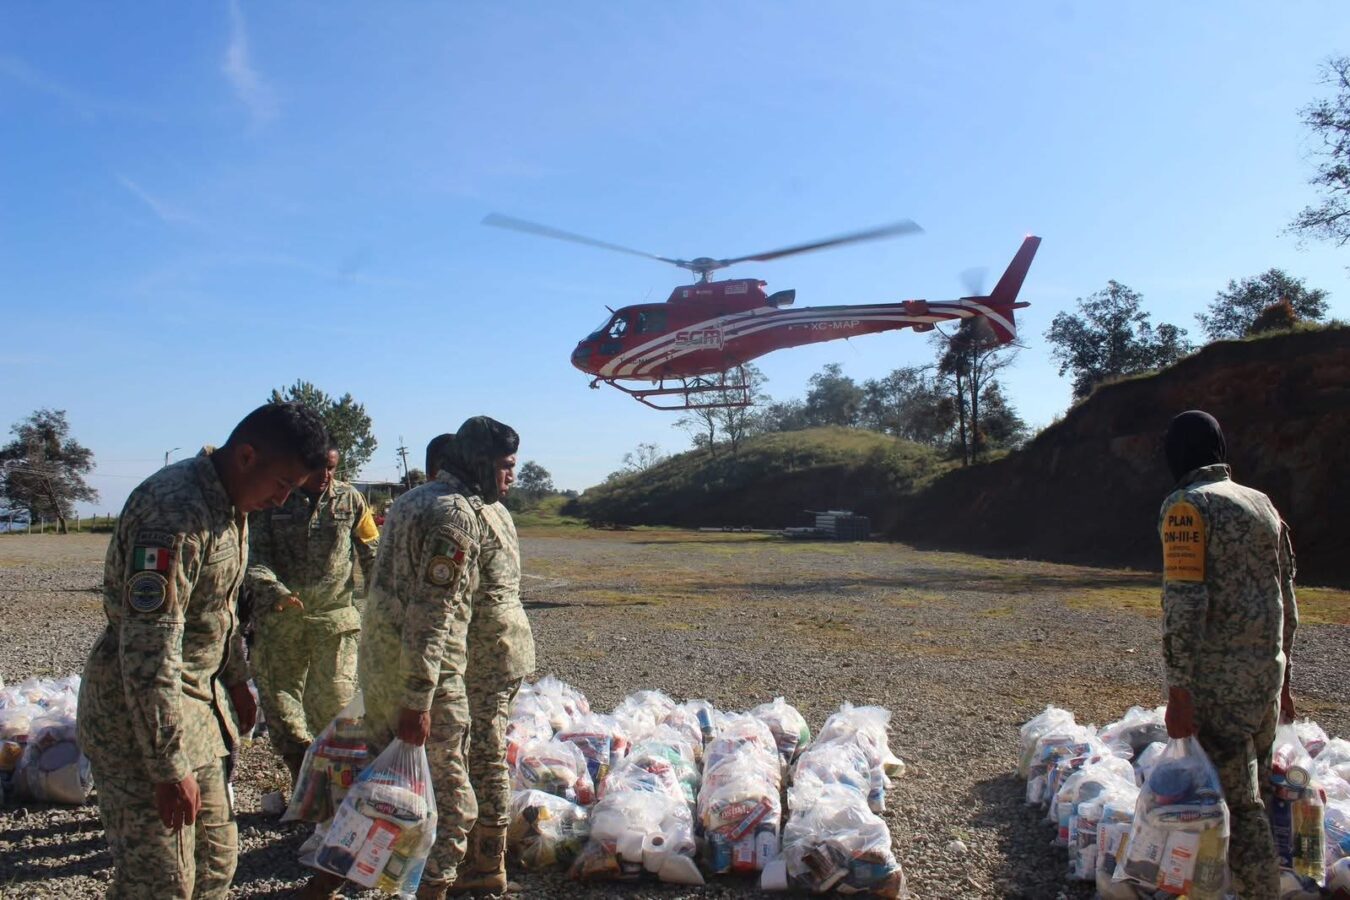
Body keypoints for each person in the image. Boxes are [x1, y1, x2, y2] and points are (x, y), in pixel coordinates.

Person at [78, 402, 329, 900]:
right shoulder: (174, 512)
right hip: (140, 723)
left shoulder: (233, 506)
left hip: (197, 709)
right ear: (247, 456)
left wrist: (235, 679)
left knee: (215, 864)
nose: (282, 500)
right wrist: (167, 767)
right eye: (282, 484)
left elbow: (219, 608)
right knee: (162, 883)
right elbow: (148, 650)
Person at [301, 417, 520, 900]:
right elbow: (433, 612)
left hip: (383, 665)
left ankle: (333, 873)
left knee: (383, 781)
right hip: (428, 672)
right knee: (451, 799)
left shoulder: (413, 500)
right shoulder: (456, 516)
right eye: (504, 465)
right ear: (480, 462)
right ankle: (432, 887)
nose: (511, 475)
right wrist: (419, 697)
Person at [1158, 410, 1298, 900]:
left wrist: (1179, 691)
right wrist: (1284, 678)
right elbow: (1285, 595)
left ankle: (1259, 890)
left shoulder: (1187, 506)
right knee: (1256, 790)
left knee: (1239, 805)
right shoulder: (1261, 504)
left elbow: (1184, 603)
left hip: (1218, 689)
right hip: (1264, 678)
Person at [245, 443, 379, 788]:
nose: (326, 476)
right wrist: (275, 591)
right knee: (283, 712)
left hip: (335, 622)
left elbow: (372, 553)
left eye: (332, 468)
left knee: (337, 707)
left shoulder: (351, 500)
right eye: (319, 468)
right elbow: (254, 556)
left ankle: (339, 792)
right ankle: (303, 786)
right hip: (282, 625)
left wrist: (384, 601)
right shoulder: (274, 498)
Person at [440, 432, 535, 894]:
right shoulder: (493, 510)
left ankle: (486, 865)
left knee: (484, 755)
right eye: (505, 466)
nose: (511, 475)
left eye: (512, 465)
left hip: (488, 652)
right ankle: (484, 859)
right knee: (485, 751)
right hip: (501, 648)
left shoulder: (474, 513)